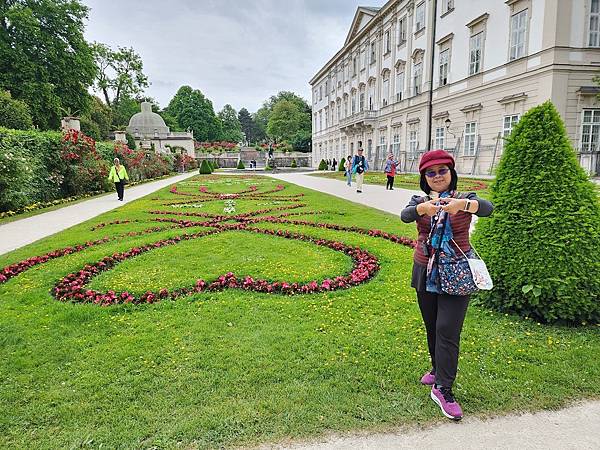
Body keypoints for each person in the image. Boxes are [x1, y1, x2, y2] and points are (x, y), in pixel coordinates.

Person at [400, 149, 493, 421]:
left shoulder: (464, 199)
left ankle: (444, 388)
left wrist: (460, 206)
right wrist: (423, 209)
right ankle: (436, 368)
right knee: (432, 325)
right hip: (425, 270)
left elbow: (487, 208)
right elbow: (406, 215)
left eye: (442, 171)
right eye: (431, 172)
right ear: (424, 177)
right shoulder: (419, 200)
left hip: (456, 272)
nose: (437, 176)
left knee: (447, 329)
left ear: (451, 173)